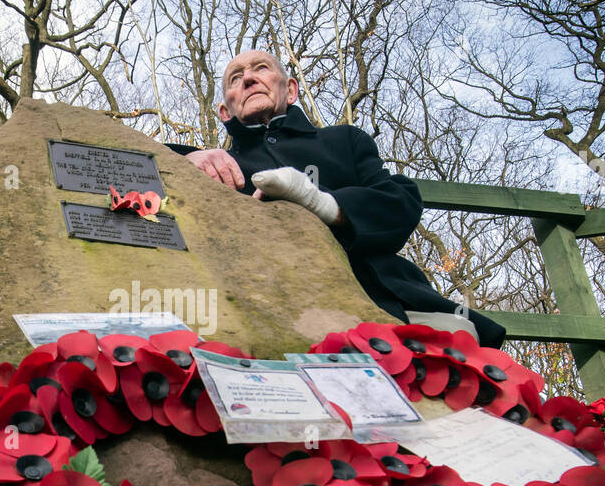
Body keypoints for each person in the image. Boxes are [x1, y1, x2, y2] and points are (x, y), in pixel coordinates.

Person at [167, 49, 506, 348]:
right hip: (263, 308)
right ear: (224, 112)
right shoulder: (216, 168)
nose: (249, 79)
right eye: (236, 78)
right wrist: (181, 160)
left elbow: (399, 204)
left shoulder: (344, 141)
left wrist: (321, 203)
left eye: (261, 68)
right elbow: (131, 170)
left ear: (292, 89)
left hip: (381, 298)